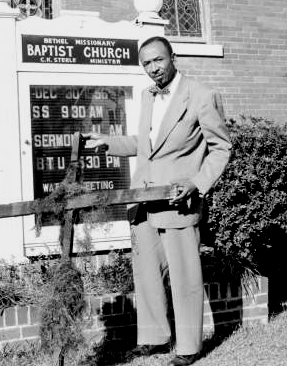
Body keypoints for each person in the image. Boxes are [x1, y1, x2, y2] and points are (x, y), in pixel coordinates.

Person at [84, 35, 231, 366]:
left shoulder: (202, 95)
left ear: (172, 57)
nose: (153, 68)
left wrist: (196, 183)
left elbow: (221, 148)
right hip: (144, 201)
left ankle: (189, 346)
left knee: (185, 277)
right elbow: (147, 142)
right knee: (146, 273)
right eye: (146, 63)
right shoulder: (147, 96)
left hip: (179, 202)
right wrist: (109, 143)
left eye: (158, 60)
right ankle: (154, 337)